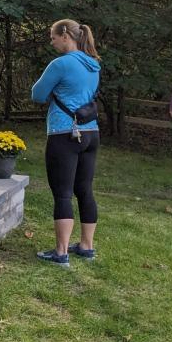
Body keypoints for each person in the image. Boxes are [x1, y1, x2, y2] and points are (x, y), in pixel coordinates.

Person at [30, 19, 101, 266]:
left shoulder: (60, 64)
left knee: (62, 194)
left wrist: (53, 91)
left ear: (64, 35)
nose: (52, 42)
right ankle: (86, 246)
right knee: (85, 190)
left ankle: (61, 252)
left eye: (53, 37)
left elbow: (37, 95)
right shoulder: (93, 64)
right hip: (91, 132)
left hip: (64, 133)